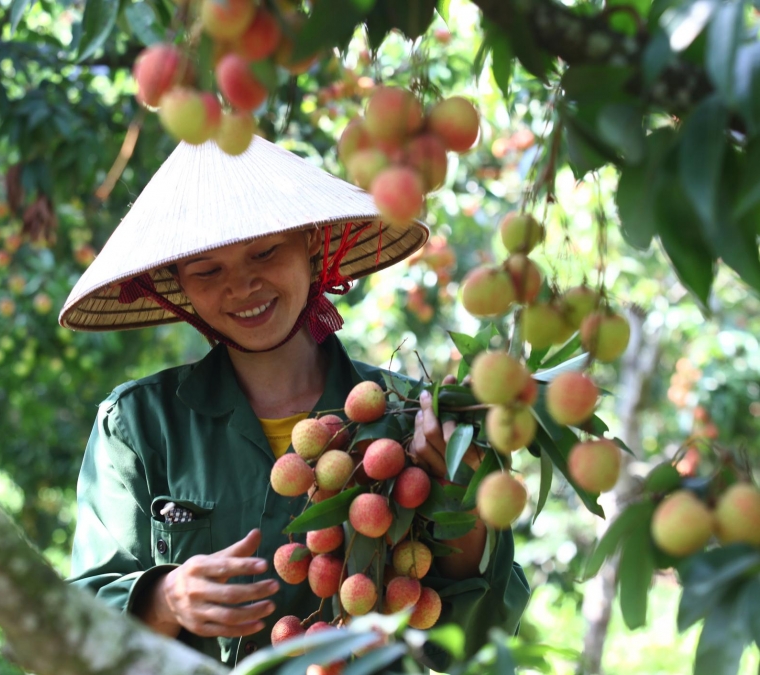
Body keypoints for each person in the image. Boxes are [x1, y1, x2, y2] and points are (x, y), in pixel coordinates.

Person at [60, 136, 530, 669]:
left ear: (312, 247)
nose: (242, 284)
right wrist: (166, 598)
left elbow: (477, 640)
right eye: (207, 270)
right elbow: (74, 622)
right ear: (179, 287)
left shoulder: (412, 422)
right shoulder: (138, 425)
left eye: (265, 251)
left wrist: (456, 496)